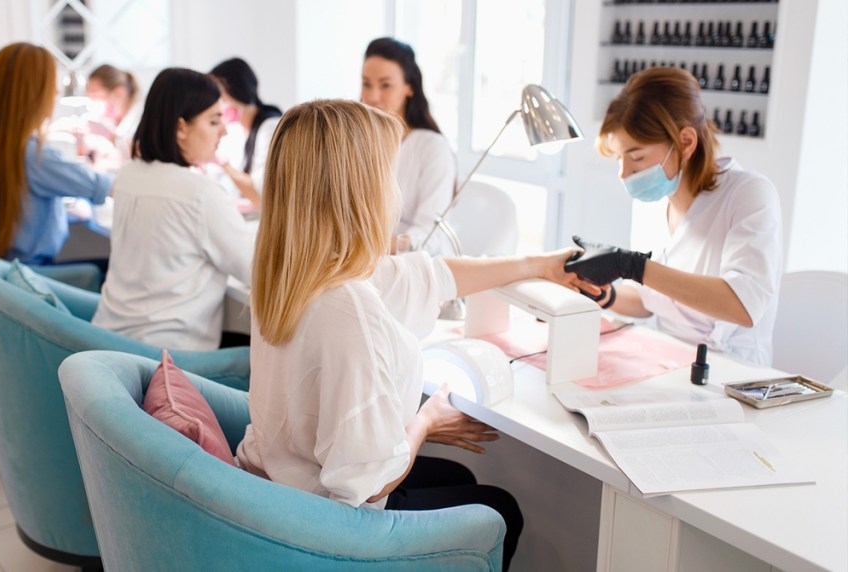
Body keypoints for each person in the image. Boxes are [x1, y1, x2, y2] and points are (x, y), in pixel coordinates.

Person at [236, 99, 593, 570]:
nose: (396, 192)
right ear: (359, 190)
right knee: (499, 508)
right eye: (390, 174)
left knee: (456, 474)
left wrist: (539, 264)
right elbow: (371, 483)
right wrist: (426, 422)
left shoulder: (290, 273)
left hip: (275, 490)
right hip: (328, 530)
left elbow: (434, 275)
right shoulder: (348, 310)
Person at [565, 67, 782, 366]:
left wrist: (633, 266)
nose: (624, 173)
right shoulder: (652, 202)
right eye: (619, 158)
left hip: (733, 373)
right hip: (666, 358)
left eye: (637, 157)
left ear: (686, 142)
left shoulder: (750, 194)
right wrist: (606, 295)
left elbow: (742, 305)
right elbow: (651, 298)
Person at [92, 68, 255, 351]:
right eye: (214, 121)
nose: (224, 130)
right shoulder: (201, 194)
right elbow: (259, 272)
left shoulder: (128, 176)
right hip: (169, 364)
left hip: (110, 349)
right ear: (181, 128)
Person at [0, 43, 112, 266]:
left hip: (6, 266)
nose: (56, 94)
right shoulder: (34, 155)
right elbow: (103, 186)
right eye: (52, 86)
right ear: (35, 94)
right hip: (37, 273)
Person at [361, 37, 455, 255]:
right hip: (370, 262)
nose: (373, 96)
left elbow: (429, 233)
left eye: (385, 85)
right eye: (366, 84)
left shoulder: (433, 148)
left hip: (420, 265)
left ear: (409, 88)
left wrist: (371, 251)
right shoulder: (360, 144)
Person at [208, 57, 282, 209]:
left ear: (236, 90)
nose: (217, 100)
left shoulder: (269, 128)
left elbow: (260, 194)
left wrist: (224, 164)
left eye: (220, 94)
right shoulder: (235, 131)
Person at [82, 63, 140, 163]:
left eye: (95, 93)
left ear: (119, 92)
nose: (91, 99)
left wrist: (111, 136)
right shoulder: (113, 117)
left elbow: (137, 153)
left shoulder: (140, 116)